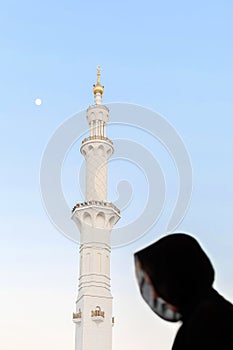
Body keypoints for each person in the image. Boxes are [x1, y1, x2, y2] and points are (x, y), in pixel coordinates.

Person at [134, 233, 233, 350]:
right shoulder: (215, 313)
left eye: (157, 284)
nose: (155, 295)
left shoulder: (205, 324)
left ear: (176, 279)